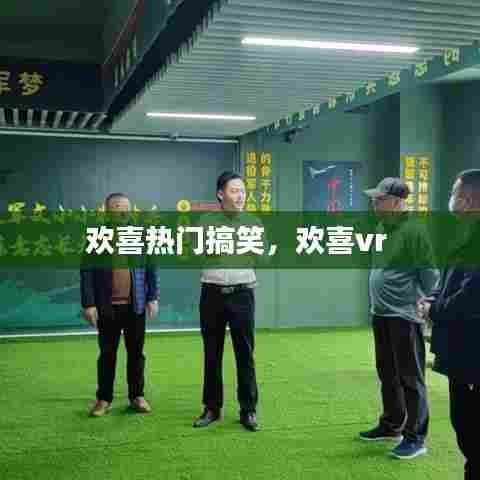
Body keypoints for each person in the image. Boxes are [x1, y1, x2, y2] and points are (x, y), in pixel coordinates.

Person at [360, 177, 439, 459]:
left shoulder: (415, 231)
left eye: (379, 199)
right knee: (387, 373)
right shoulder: (382, 227)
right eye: (374, 199)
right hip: (381, 312)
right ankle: (392, 424)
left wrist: (428, 303)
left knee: (410, 378)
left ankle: (415, 438)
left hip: (404, 315)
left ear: (396, 202)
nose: (374, 203)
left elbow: (428, 273)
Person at [419, 169, 480, 479]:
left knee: (473, 432)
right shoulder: (466, 235)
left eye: (455, 192)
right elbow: (449, 282)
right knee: (467, 431)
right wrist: (432, 299)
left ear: (469, 199)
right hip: (463, 355)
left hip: (473, 357)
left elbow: (472, 296)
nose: (451, 198)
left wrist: (434, 309)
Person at [80, 192, 159, 417]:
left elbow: (151, 268)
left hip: (136, 305)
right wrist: (89, 304)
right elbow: (86, 271)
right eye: (117, 206)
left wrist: (152, 297)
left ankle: (137, 396)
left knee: (136, 353)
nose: (123, 211)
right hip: (107, 307)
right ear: (107, 211)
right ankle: (103, 399)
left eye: (126, 207)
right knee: (107, 354)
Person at [193, 171, 260, 431]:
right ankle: (212, 408)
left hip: (243, 294)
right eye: (234, 191)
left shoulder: (253, 222)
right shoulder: (205, 222)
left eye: (243, 191)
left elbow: (261, 255)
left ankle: (248, 410)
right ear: (220, 194)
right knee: (212, 352)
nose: (240, 196)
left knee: (245, 353)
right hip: (212, 294)